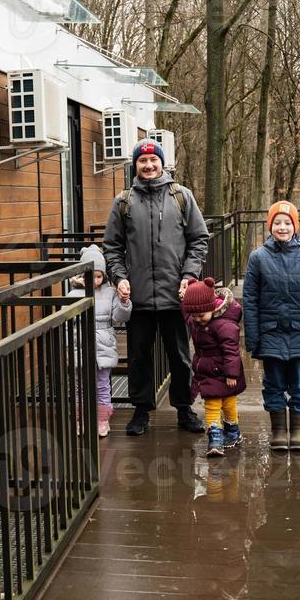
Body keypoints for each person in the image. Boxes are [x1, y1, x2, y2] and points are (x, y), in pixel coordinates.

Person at [102, 139, 210, 436]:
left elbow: (199, 240)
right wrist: (119, 277)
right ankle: (141, 411)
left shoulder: (181, 197)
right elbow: (112, 246)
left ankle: (185, 409)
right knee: (138, 356)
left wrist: (189, 275)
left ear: (162, 163)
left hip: (177, 296)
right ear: (135, 165)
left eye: (153, 160)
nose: (148, 165)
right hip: (136, 298)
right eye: (142, 161)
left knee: (180, 356)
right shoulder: (123, 201)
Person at [243, 201, 300, 451]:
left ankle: (298, 428)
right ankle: (278, 428)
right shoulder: (258, 258)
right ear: (270, 226)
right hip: (270, 332)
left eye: (287, 223)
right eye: (277, 223)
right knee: (274, 381)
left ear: (295, 226)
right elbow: (250, 299)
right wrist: (253, 338)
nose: (282, 227)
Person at [66, 244, 132, 437]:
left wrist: (124, 302)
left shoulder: (110, 293)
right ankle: (81, 419)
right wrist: (68, 347)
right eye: (90, 275)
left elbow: (120, 317)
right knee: (79, 385)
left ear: (104, 276)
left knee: (102, 384)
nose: (95, 280)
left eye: (98, 276)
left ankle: (102, 420)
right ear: (81, 273)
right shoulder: (73, 295)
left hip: (103, 345)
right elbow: (67, 324)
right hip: (80, 345)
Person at [182, 276, 246, 457]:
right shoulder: (197, 318)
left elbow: (232, 351)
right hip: (206, 371)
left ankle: (233, 430)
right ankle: (215, 437)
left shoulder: (224, 325)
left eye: (200, 316)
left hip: (225, 371)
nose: (197, 319)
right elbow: (187, 314)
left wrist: (232, 374)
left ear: (212, 307)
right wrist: (183, 299)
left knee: (228, 402)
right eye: (194, 316)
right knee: (211, 403)